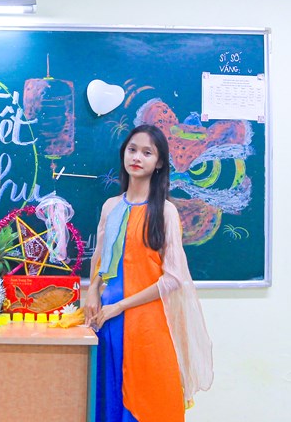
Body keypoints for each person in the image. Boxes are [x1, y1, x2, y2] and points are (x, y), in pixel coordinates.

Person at [85, 124, 213, 421]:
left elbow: (173, 278)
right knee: (109, 399)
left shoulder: (165, 211)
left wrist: (121, 306)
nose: (137, 157)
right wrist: (92, 291)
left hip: (147, 322)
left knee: (150, 400)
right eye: (132, 150)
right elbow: (101, 258)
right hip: (107, 320)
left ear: (159, 163)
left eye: (147, 152)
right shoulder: (110, 207)